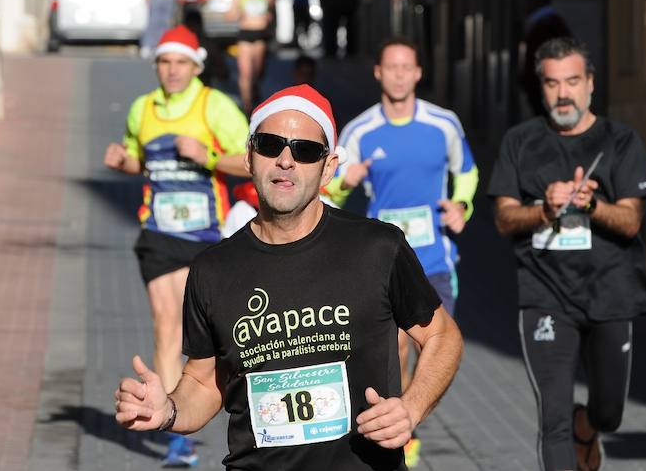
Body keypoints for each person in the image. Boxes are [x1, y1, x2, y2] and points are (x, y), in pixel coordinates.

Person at [115, 84, 463, 471]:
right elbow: (203, 382)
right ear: (249, 157)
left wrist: (411, 408)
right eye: (269, 144)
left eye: (305, 150)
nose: (285, 160)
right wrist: (168, 411)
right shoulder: (213, 268)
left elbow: (442, 336)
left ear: (329, 167)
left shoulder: (378, 246)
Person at [487, 37, 646, 471]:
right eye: (552, 83)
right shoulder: (520, 142)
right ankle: (572, 428)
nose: (563, 93)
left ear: (591, 84)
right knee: (553, 419)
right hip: (545, 295)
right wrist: (544, 209)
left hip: (610, 294)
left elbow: (632, 221)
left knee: (609, 413)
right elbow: (505, 220)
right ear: (540, 87)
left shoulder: (622, 142)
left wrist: (590, 205)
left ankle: (590, 424)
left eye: (573, 81)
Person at [324, 37, 478, 466]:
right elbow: (326, 187)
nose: (397, 74)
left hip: (433, 259)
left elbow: (466, 171)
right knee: (398, 346)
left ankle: (405, 413)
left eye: (405, 67)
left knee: (434, 347)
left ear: (417, 74)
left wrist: (462, 205)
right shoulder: (360, 130)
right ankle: (401, 430)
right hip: (385, 262)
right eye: (389, 67)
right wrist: (346, 181)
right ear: (378, 72)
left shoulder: (442, 124)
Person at [103, 24, 249, 466]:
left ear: (196, 66)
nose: (172, 70)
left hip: (207, 236)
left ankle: (218, 406)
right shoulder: (141, 109)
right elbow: (138, 159)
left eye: (181, 62)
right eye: (165, 62)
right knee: (167, 325)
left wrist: (204, 155)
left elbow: (251, 160)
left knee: (205, 334)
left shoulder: (215, 105)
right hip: (159, 234)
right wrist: (123, 161)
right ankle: (173, 430)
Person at [519, 0, 571, 120]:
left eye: (531, 0)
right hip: (538, 80)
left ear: (539, 2)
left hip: (543, 80)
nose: (527, 4)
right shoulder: (538, 23)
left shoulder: (547, 24)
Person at [228, 0, 273, 113]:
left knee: (258, 71)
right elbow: (229, 15)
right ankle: (247, 106)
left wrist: (269, 18)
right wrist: (236, 14)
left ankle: (254, 90)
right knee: (245, 72)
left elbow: (272, 13)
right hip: (245, 35)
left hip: (260, 35)